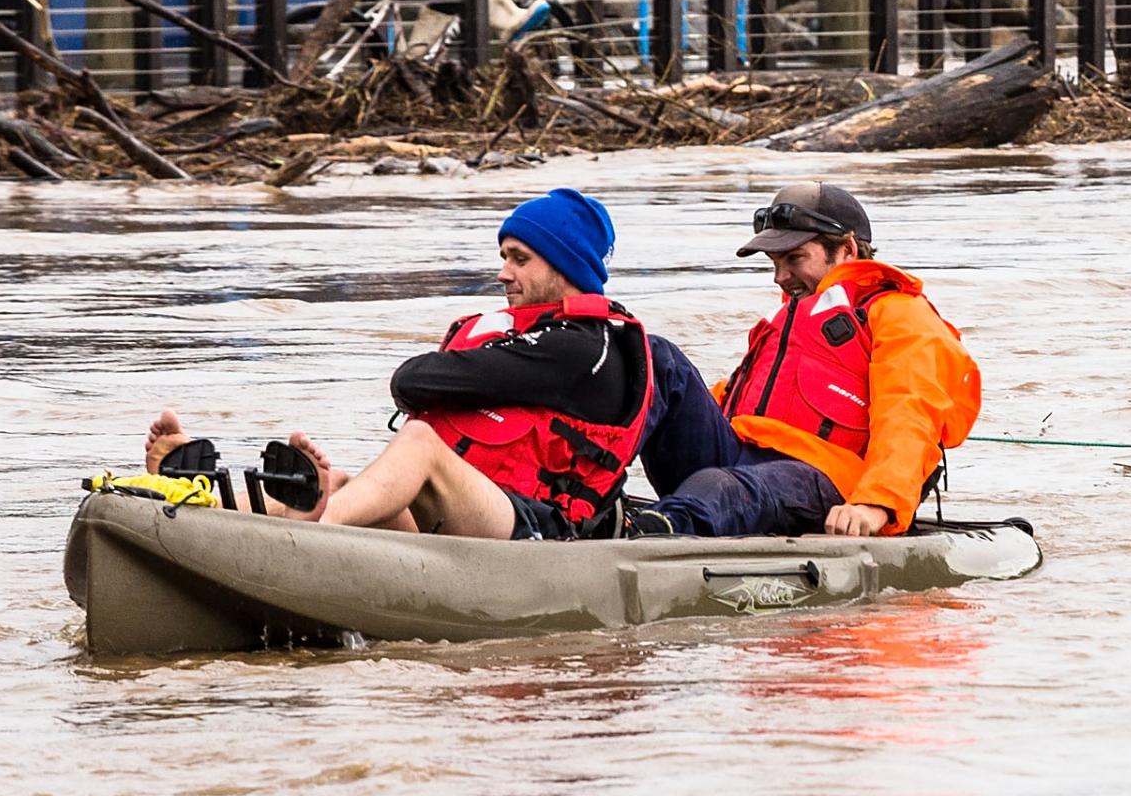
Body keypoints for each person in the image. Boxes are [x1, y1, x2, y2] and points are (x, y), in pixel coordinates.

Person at [143, 191, 652, 542]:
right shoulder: (530, 338)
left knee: (420, 446)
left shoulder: (580, 349)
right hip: (472, 517)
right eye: (504, 257)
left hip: (543, 530)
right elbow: (421, 383)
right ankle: (200, 497)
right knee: (344, 485)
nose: (503, 273)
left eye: (520, 259)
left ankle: (305, 533)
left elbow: (413, 381)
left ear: (564, 265)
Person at [625, 181, 981, 541]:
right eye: (775, 263)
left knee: (721, 487)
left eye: (794, 259)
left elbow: (910, 414)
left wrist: (876, 506)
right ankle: (583, 495)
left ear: (847, 250)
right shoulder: (786, 319)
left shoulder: (900, 314)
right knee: (653, 356)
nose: (780, 277)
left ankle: (650, 532)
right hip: (738, 460)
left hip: (827, 479)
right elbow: (728, 401)